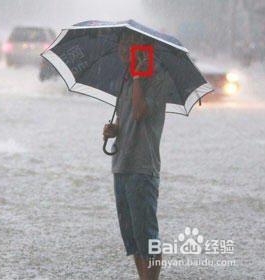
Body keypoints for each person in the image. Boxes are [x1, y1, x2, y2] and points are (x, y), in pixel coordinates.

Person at [103, 32, 171, 280]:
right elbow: (127, 120)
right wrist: (113, 130)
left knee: (147, 238)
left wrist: (140, 75)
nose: (123, 49)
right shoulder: (126, 81)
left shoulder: (157, 78)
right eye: (122, 43)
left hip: (142, 168)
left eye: (130, 45)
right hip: (121, 165)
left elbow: (141, 111)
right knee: (132, 238)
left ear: (143, 49)